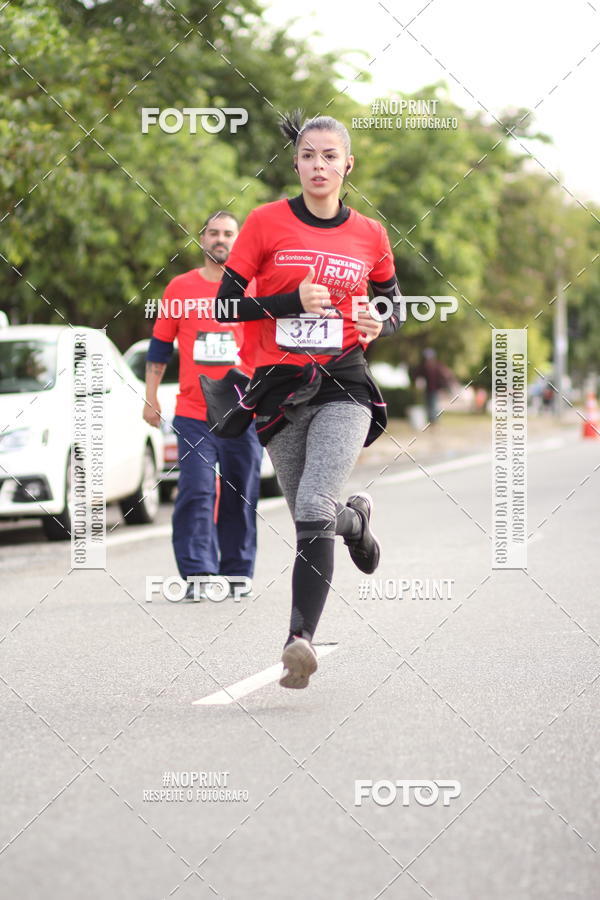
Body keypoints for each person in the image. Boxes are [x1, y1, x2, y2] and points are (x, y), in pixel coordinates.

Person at [211, 109, 402, 688]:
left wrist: (378, 320)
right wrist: (290, 301)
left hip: (344, 381)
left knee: (314, 505)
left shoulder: (370, 234)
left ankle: (300, 641)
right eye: (308, 156)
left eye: (329, 156)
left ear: (348, 165)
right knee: (310, 517)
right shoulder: (266, 223)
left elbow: (391, 305)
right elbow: (226, 305)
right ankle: (356, 521)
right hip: (279, 389)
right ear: (295, 163)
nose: (318, 165)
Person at [143, 210, 263, 599]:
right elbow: (160, 345)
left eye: (228, 233)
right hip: (194, 412)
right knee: (196, 490)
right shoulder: (180, 288)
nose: (220, 239)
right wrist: (150, 397)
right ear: (202, 239)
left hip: (242, 412)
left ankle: (237, 573)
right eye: (214, 232)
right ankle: (197, 572)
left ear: (238, 241)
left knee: (240, 494)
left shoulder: (254, 287)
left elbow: (271, 342)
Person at [412, 347, 456, 424]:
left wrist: (447, 384)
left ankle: (434, 421)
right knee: (429, 406)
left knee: (433, 405)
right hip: (427, 390)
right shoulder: (423, 367)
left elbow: (447, 374)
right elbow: (416, 375)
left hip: (435, 390)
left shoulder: (437, 366)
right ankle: (431, 421)